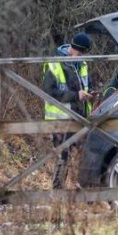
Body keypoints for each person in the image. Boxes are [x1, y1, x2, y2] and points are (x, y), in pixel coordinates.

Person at [43, 32, 93, 189]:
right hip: (60, 120)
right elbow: (49, 93)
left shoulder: (82, 64)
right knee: (62, 157)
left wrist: (89, 95)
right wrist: (76, 95)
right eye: (81, 52)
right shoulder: (54, 64)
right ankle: (57, 191)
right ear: (75, 48)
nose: (82, 56)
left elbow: (85, 85)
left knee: (82, 154)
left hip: (80, 117)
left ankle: (78, 190)